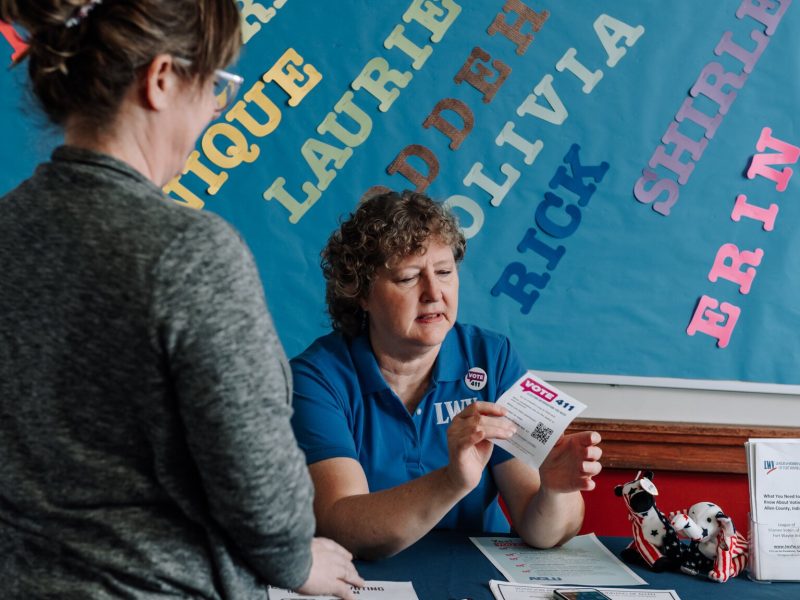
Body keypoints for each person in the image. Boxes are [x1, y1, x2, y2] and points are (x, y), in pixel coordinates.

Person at [0, 1, 362, 598]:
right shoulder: (191, 253)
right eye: (215, 84)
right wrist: (296, 561)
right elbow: (261, 490)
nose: (216, 109)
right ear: (162, 79)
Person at [291, 190, 603, 559]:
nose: (433, 293)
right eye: (408, 278)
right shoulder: (316, 377)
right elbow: (342, 526)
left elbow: (544, 531)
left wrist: (554, 490)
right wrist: (454, 481)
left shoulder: (492, 358)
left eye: (443, 272)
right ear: (361, 293)